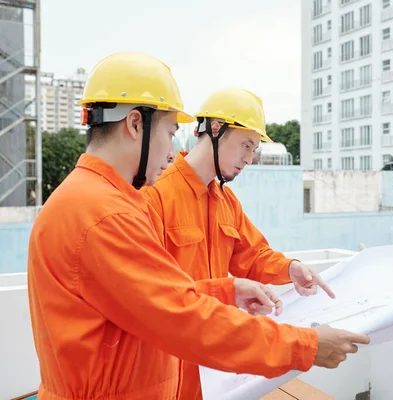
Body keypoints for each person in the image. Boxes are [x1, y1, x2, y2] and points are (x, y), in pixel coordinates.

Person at [27, 52, 370, 400]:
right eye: (170, 132)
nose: (173, 148)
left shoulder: (93, 199)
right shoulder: (107, 214)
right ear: (134, 125)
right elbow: (180, 315)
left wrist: (229, 290)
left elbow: (154, 298)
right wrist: (305, 346)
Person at [142, 88, 338, 400]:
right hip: (168, 367)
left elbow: (253, 256)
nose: (250, 158)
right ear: (215, 130)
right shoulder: (156, 196)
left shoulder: (226, 202)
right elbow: (154, 295)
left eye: (254, 149)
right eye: (245, 145)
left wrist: (291, 268)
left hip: (215, 364)